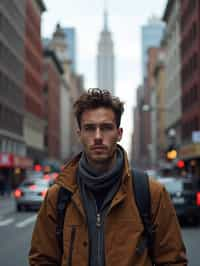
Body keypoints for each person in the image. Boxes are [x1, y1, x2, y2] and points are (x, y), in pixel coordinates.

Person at [29, 88, 187, 265]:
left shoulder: (151, 193)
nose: (97, 137)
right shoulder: (57, 196)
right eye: (89, 128)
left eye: (106, 128)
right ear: (79, 134)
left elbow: (173, 260)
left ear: (119, 134)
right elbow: (41, 260)